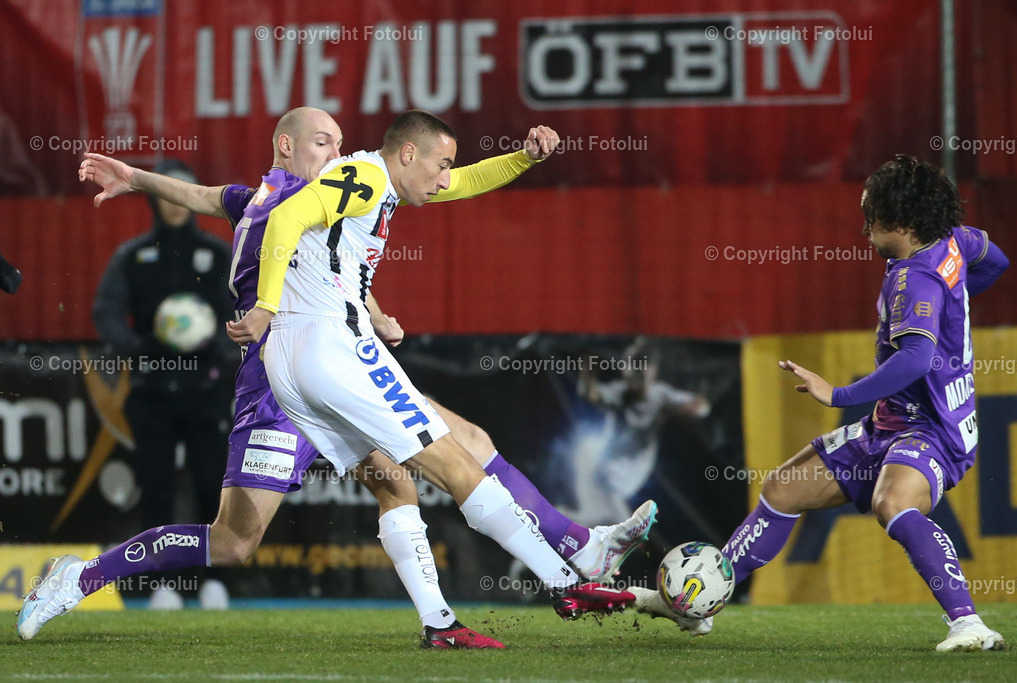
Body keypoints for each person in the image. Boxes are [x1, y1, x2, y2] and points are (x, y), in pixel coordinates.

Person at [20, 108, 646, 647]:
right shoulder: (300, 194)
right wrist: (273, 305)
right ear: (287, 147)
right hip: (283, 379)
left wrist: (134, 178)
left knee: (419, 468)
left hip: (303, 360)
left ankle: (473, 606)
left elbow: (246, 215)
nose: (338, 151)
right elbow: (246, 218)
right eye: (325, 141)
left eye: (341, 142)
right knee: (239, 541)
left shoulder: (304, 198)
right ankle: (79, 577)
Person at [224, 108, 638, 619]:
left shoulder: (375, 183)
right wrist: (266, 304)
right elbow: (286, 221)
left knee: (399, 478)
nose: (445, 180)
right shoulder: (367, 178)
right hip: (330, 342)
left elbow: (462, 183)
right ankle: (567, 579)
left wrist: (524, 159)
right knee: (456, 462)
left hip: (290, 358)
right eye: (439, 165)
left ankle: (442, 620)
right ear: (407, 154)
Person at [636, 155, 1010, 650]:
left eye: (870, 214)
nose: (864, 226)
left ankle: (969, 624)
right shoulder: (955, 242)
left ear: (899, 221)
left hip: (933, 430)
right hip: (892, 424)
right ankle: (701, 600)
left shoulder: (913, 278)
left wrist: (838, 395)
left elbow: (918, 358)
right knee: (783, 490)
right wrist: (954, 305)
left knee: (892, 504)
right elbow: (997, 261)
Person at [91, 158, 237, 610]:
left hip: (207, 393)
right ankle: (161, 585)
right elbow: (106, 313)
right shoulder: (133, 255)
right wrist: (139, 346)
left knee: (212, 484)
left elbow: (247, 307)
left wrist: (218, 343)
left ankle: (214, 583)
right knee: (156, 489)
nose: (175, 204)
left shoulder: (217, 254)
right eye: (166, 192)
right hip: (151, 392)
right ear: (156, 199)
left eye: (184, 192)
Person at [573, 340, 710, 525]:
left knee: (607, 522)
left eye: (639, 371)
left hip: (630, 473)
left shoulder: (660, 395)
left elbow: (701, 407)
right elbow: (592, 395)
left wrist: (687, 409)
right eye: (630, 370)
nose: (633, 377)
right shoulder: (619, 392)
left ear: (651, 372)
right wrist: (587, 375)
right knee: (597, 515)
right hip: (604, 467)